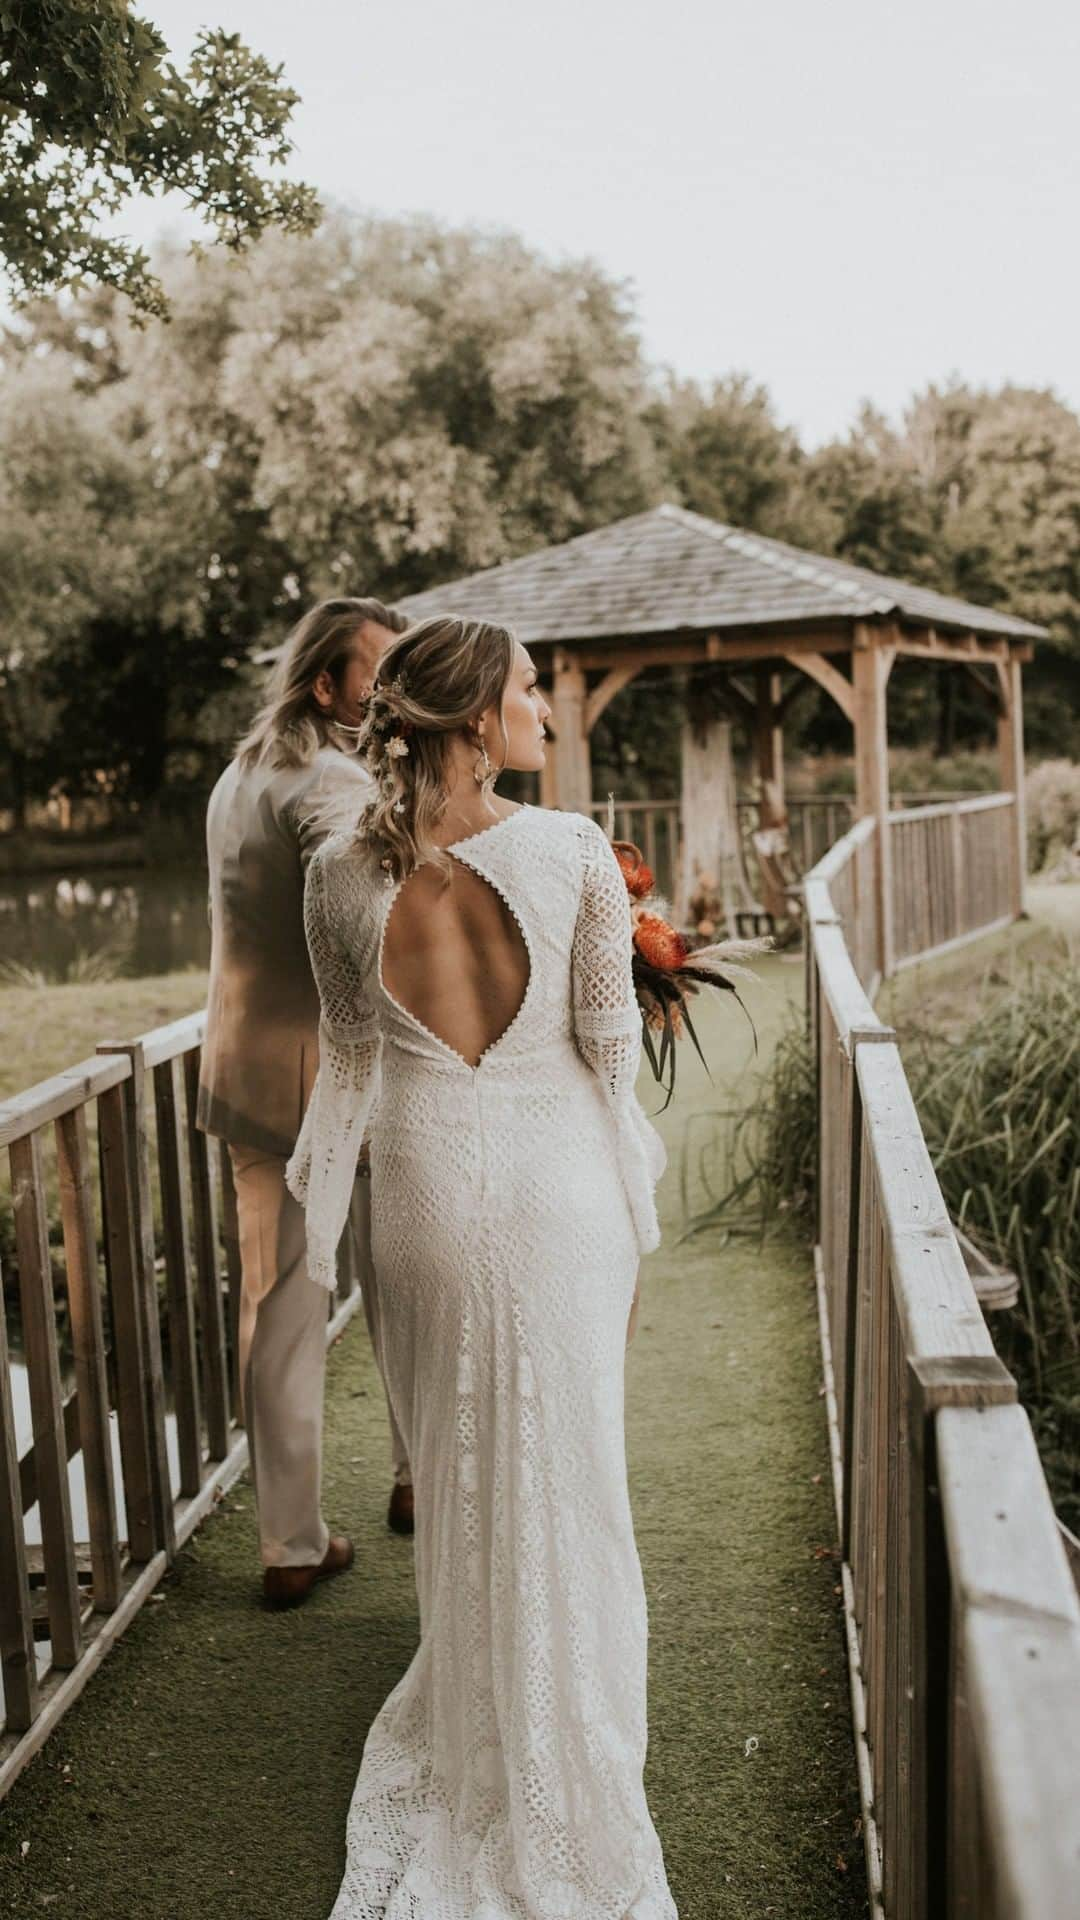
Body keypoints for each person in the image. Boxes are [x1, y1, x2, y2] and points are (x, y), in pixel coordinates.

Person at [287, 617, 677, 1915]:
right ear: (473, 724)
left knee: (454, 1478)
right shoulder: (569, 849)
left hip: (425, 1201)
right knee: (576, 1476)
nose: (545, 714)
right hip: (560, 1193)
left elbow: (348, 1065)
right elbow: (610, 1057)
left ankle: (477, 1738)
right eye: (526, 693)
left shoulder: (341, 871)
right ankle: (569, 1757)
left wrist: (309, 1222)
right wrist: (637, 1214)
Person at [197, 595, 413, 1610]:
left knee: (276, 1302)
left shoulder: (238, 776)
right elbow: (367, 904)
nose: (395, 694)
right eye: (380, 675)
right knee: (393, 1274)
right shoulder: (330, 779)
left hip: (239, 1069)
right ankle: (388, 1492)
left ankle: (295, 1535)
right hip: (329, 1077)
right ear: (328, 684)